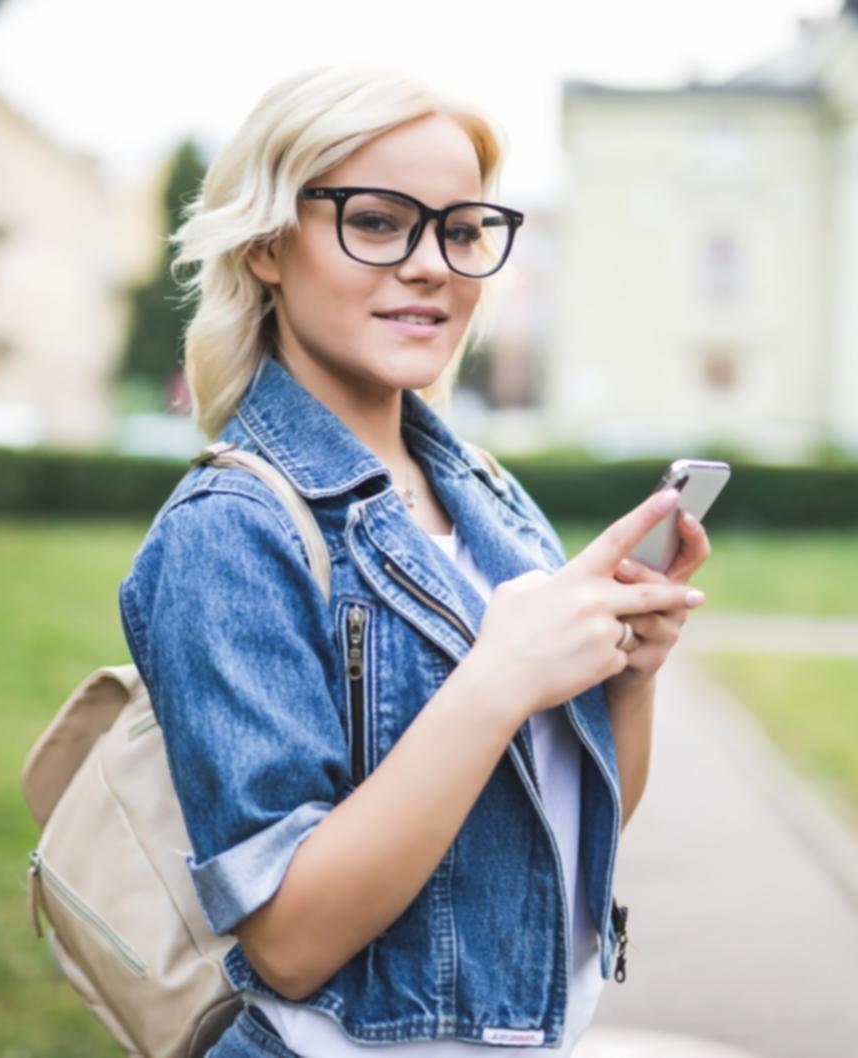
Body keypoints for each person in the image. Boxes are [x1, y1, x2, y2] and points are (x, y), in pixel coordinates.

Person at [115, 63, 712, 1058]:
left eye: (463, 228)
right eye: (380, 221)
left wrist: (629, 680)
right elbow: (291, 941)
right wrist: (497, 679)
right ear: (267, 242)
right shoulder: (229, 528)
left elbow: (563, 824)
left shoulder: (490, 497)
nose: (433, 263)